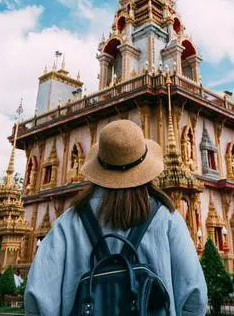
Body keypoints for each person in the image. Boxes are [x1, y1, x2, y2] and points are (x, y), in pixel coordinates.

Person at [24, 120, 207, 316]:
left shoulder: (68, 223)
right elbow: (194, 297)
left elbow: (39, 300)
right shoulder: (168, 219)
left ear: (99, 167)